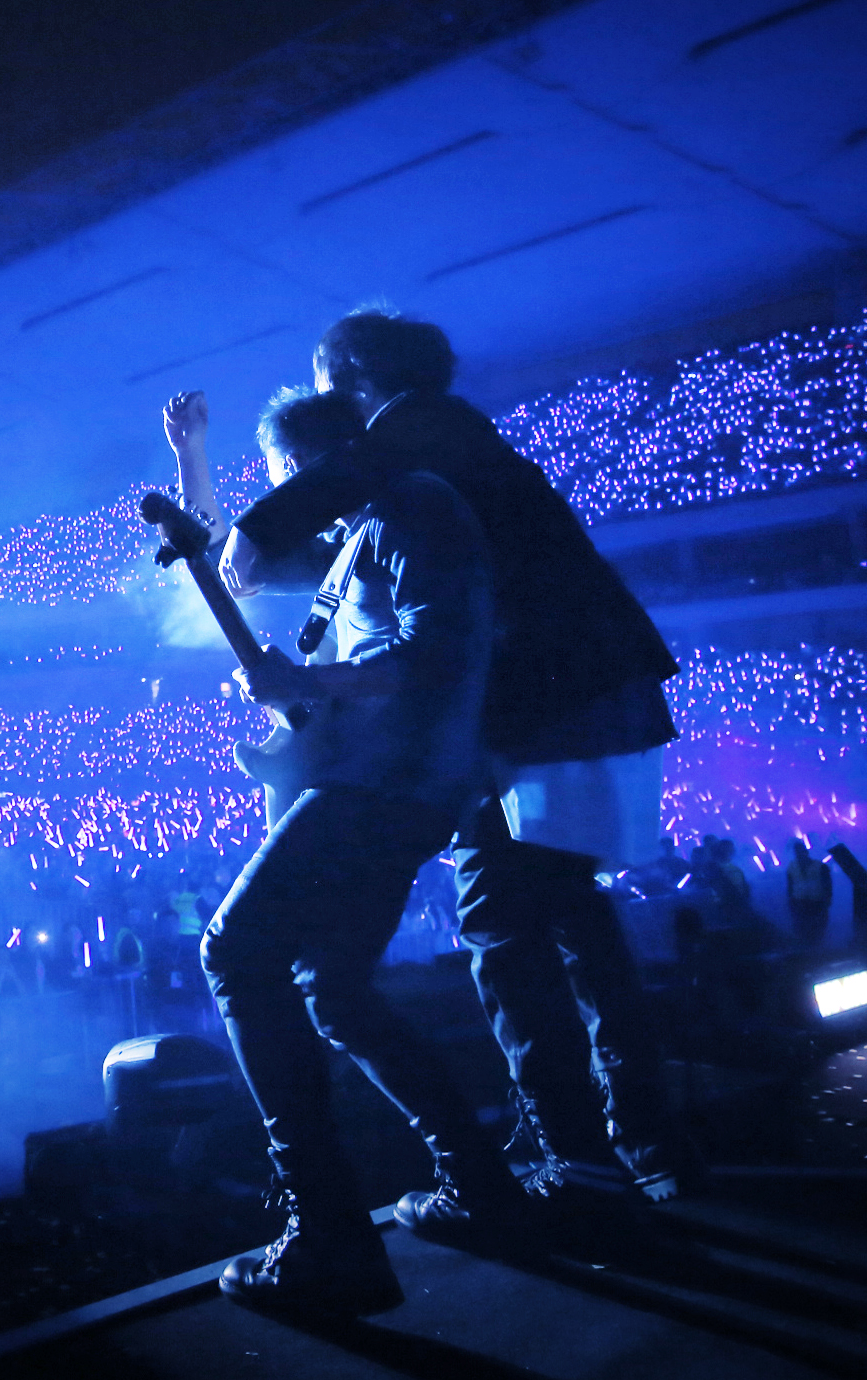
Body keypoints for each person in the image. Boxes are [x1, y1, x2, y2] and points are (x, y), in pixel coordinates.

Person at [223, 308, 694, 1209]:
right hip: (573, 696)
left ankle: (582, 1158)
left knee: (505, 922)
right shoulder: (437, 459)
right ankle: (640, 1143)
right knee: (569, 919)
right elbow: (323, 559)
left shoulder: (422, 424)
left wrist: (255, 525)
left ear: (356, 373)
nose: (335, 419)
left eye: (330, 390)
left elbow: (339, 486)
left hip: (548, 702)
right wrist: (221, 530)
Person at [183, 385, 517, 1319]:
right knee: (333, 986)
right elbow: (228, 568)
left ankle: (327, 1234)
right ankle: (477, 1186)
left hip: (383, 783)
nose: (283, 492)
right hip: (391, 785)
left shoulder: (411, 502)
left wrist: (309, 676)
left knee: (234, 953)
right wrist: (192, 459)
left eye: (286, 474)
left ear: (320, 463)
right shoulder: (362, 536)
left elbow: (439, 649)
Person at [785, 838, 833, 944]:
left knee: (818, 930)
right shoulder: (792, 866)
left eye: (800, 851)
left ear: (806, 852)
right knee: (802, 930)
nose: (799, 854)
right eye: (797, 852)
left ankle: (817, 950)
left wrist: (827, 900)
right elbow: (790, 885)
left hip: (817, 902)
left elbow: (828, 885)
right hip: (799, 902)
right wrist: (790, 901)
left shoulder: (820, 866)